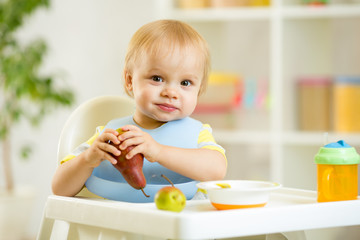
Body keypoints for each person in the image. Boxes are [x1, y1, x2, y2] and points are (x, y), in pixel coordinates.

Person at [52, 19, 227, 198]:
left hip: (179, 222)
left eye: (185, 83)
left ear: (200, 89)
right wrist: (87, 159)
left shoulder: (196, 133)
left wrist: (159, 151)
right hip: (117, 223)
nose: (171, 92)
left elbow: (217, 170)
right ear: (129, 80)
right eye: (157, 78)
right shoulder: (111, 136)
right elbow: (59, 189)